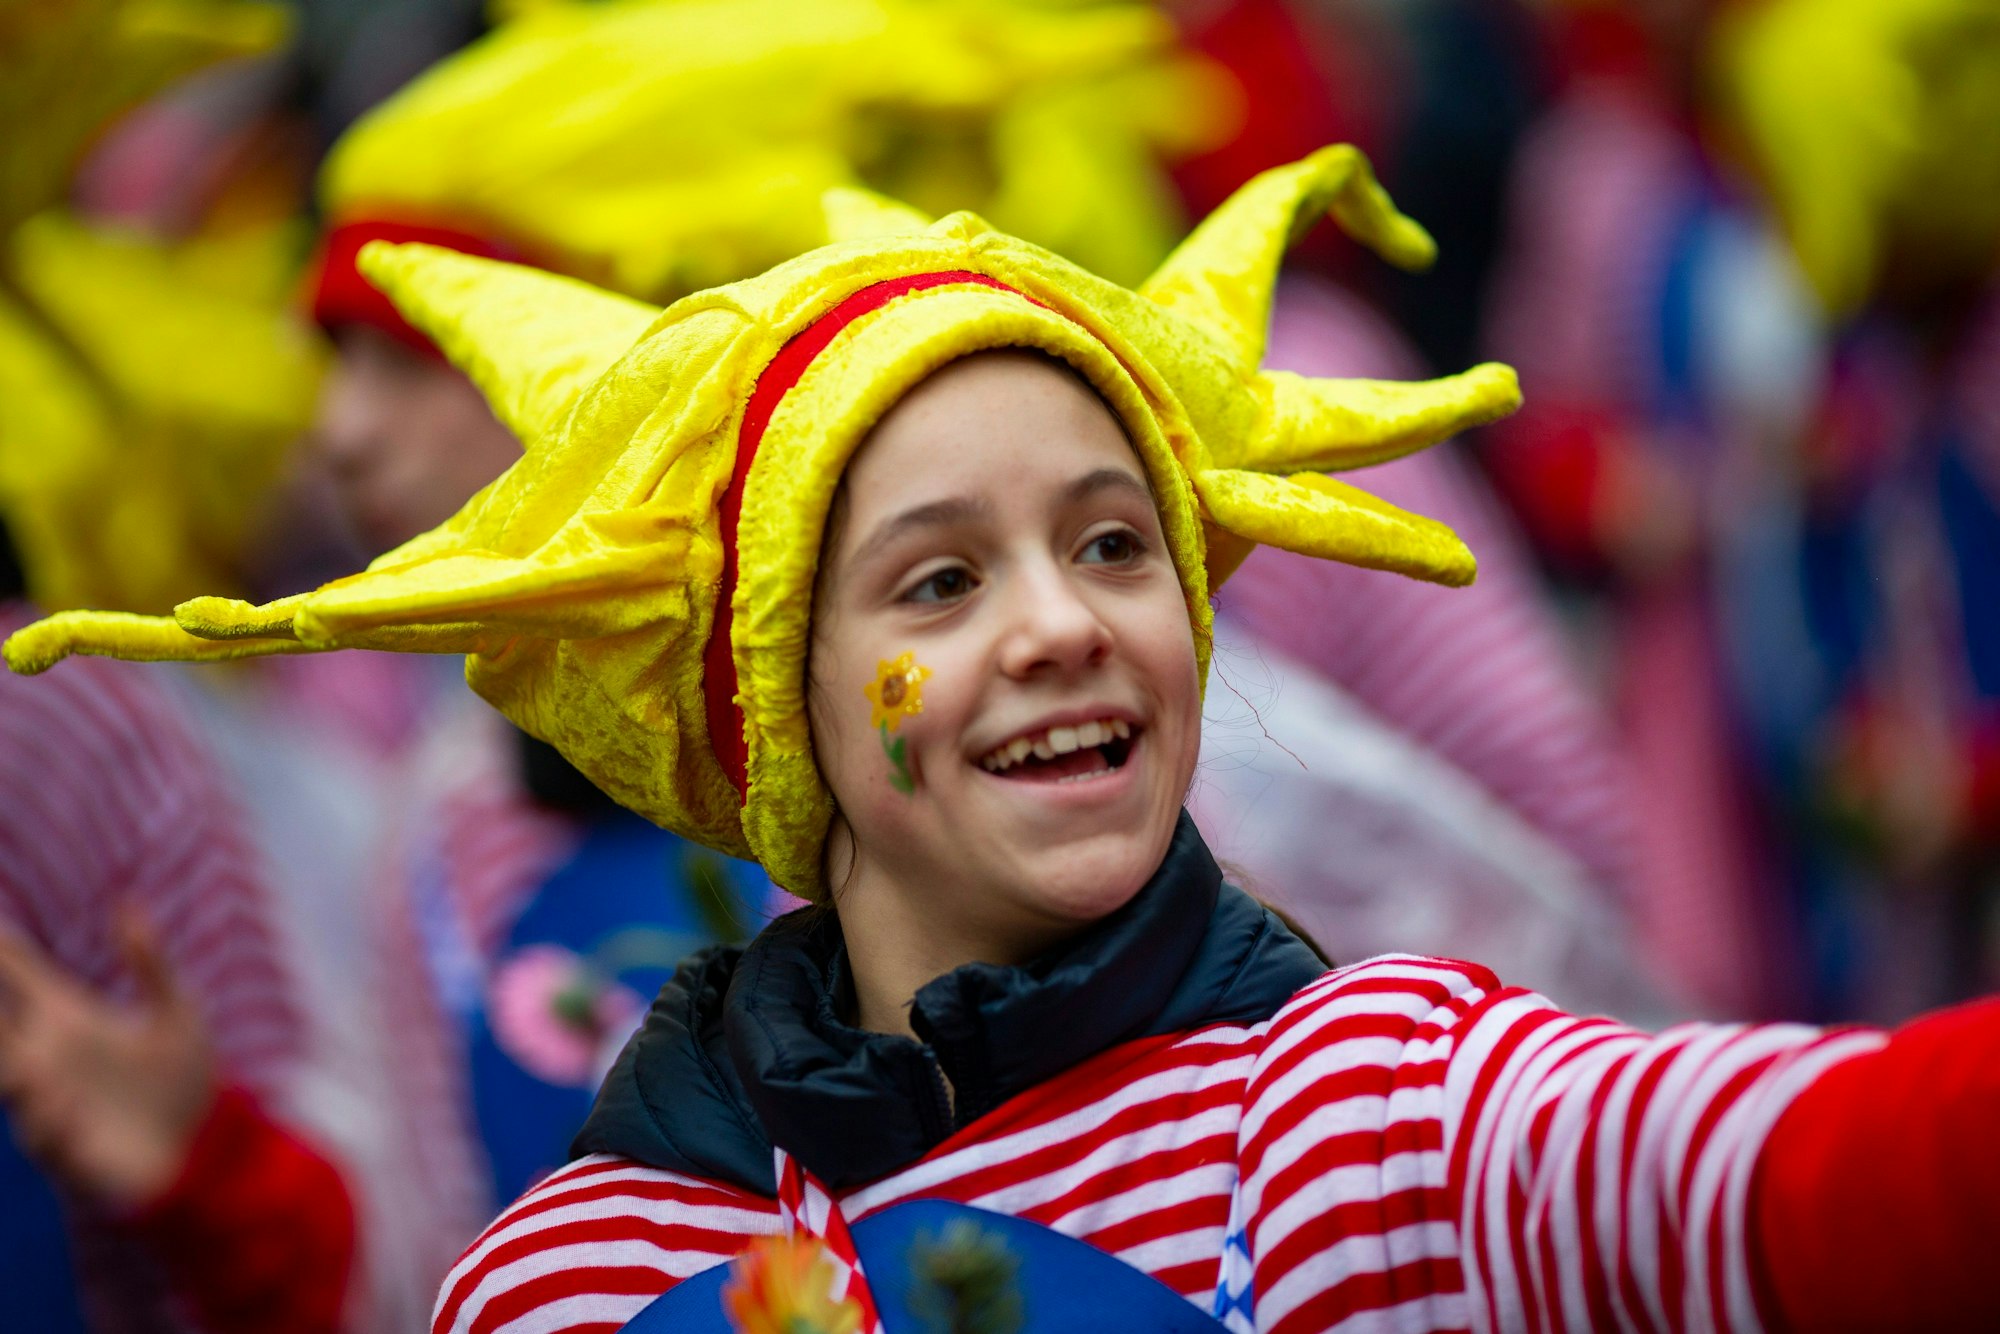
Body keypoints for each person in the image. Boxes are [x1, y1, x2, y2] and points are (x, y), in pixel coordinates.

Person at [21, 149, 2000, 1334]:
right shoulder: (567, 1279)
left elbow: (1832, 1168)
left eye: (1115, 543)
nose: (1063, 622)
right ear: (775, 711)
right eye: (940, 580)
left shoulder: (1363, 1123)